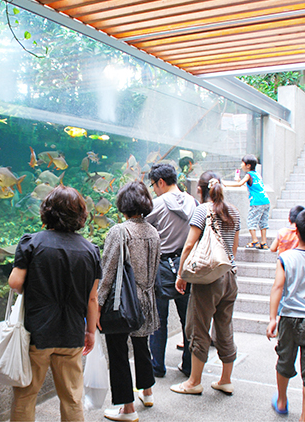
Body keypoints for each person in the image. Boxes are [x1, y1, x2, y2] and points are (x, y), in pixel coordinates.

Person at [8, 185, 100, 422]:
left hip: (37, 334)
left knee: (26, 395)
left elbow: (15, 282)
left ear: (47, 211)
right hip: (71, 334)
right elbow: (92, 298)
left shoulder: (31, 243)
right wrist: (90, 331)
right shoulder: (90, 250)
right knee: (71, 398)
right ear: (80, 215)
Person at [171, 171, 240, 396]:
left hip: (208, 279)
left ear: (200, 190)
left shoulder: (202, 210)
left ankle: (194, 382)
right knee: (225, 327)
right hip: (229, 276)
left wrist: (181, 274)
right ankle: (226, 380)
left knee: (198, 327)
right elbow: (233, 249)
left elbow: (189, 245)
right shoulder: (234, 212)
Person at [99, 181, 160, 422]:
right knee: (142, 346)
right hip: (146, 299)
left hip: (123, 303)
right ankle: (147, 392)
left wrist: (98, 301)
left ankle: (127, 408)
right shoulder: (153, 231)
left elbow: (108, 270)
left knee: (118, 352)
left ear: (123, 205)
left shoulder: (119, 231)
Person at [266, 209, 305, 422]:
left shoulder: (286, 257)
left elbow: (278, 287)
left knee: (284, 361)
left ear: (296, 230)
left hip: (289, 318)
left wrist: (273, 318)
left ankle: (281, 402)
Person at [145, 163, 197, 378]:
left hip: (162, 266)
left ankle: (157, 366)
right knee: (188, 319)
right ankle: (188, 366)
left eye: (153, 185)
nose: (154, 190)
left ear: (161, 182)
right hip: (186, 267)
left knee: (158, 320)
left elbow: (140, 225)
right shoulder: (193, 202)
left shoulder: (157, 204)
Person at [225, 154, 270, 249]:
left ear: (248, 165)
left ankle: (255, 241)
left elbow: (240, 184)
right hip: (266, 201)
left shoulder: (248, 175)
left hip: (257, 202)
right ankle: (264, 242)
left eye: (242, 163)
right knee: (263, 222)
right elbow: (251, 187)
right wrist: (240, 181)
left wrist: (225, 184)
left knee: (251, 221)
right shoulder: (257, 175)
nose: (241, 165)